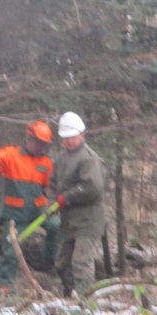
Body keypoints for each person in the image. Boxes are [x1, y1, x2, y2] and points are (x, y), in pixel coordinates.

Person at [0, 121, 61, 291]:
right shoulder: (11, 155)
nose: (42, 148)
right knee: (11, 252)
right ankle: (6, 288)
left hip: (38, 211)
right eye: (40, 143)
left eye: (45, 144)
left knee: (56, 225)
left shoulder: (46, 163)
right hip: (15, 215)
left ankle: (47, 262)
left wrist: (50, 203)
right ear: (30, 139)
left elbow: (49, 188)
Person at [49, 111, 106, 297]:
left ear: (81, 134)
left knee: (81, 263)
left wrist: (66, 197)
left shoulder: (88, 158)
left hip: (88, 221)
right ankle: (68, 297)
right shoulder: (60, 159)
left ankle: (85, 302)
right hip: (69, 222)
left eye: (72, 137)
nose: (70, 141)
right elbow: (52, 185)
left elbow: (93, 188)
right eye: (66, 138)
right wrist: (52, 203)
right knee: (62, 263)